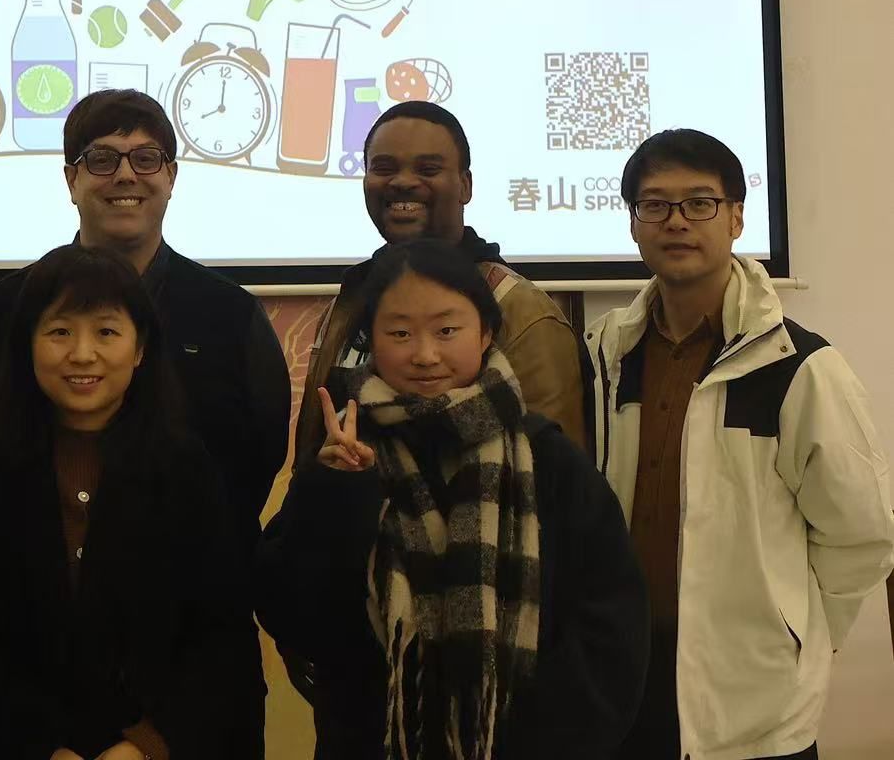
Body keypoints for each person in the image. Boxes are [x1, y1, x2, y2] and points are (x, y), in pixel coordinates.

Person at [259, 238, 648, 760]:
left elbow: (610, 630)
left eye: (447, 331)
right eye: (400, 333)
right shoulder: (344, 458)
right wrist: (336, 496)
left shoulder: (547, 459)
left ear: (485, 333)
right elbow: (298, 621)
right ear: (371, 339)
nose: (425, 355)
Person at [590, 130, 893, 760]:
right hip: (624, 678)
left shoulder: (800, 366)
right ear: (633, 223)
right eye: (655, 205)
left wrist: (798, 637)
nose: (677, 221)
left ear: (736, 218)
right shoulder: (604, 354)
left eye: (700, 202)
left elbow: (861, 534)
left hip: (754, 701)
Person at [0, 89, 289, 545]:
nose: (126, 175)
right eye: (102, 159)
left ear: (171, 177)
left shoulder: (233, 314)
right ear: (71, 180)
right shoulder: (0, 312)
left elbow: (261, 458)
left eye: (146, 159)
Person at [0, 243, 262, 760]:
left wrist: (146, 745)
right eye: (59, 331)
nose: (82, 354)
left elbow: (219, 636)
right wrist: (39, 746)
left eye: (106, 332)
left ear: (140, 348)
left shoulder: (185, 468)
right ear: (27, 344)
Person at [294, 101, 584, 469]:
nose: (402, 182)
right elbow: (313, 451)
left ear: (465, 185)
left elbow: (554, 473)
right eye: (384, 168)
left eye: (428, 169)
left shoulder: (520, 310)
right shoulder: (350, 300)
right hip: (349, 504)